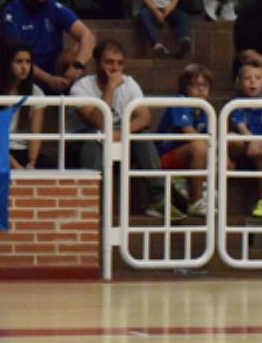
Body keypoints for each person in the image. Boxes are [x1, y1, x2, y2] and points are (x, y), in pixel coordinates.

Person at [70, 40, 182, 220]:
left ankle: (158, 199)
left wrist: (121, 134)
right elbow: (98, 122)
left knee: (142, 136)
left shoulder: (129, 83)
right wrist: (110, 88)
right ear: (96, 62)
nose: (115, 68)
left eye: (119, 63)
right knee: (95, 137)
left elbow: (145, 117)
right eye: (109, 62)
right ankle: (93, 204)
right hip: (82, 143)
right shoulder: (81, 87)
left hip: (116, 137)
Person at [0, 0, 95, 94]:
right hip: (25, 72)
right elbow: (14, 55)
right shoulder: (11, 13)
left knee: (76, 51)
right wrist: (47, 79)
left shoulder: (53, 6)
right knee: (14, 58)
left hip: (56, 70)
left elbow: (88, 36)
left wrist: (77, 66)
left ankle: (75, 100)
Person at [156, 63, 214, 216]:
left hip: (189, 158)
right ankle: (196, 201)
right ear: (184, 87)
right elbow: (189, 131)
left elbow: (210, 138)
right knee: (200, 147)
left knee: (224, 159)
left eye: (205, 85)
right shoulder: (180, 101)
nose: (200, 89)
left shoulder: (205, 109)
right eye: (195, 85)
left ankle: (208, 191)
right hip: (164, 158)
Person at [228, 60, 262, 219]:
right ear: (239, 82)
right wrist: (252, 141)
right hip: (245, 147)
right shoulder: (235, 104)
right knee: (231, 138)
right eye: (247, 78)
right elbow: (241, 127)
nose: (253, 82)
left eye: (257, 78)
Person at [0, 40, 44, 170]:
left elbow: (36, 134)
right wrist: (16, 166)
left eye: (28, 62)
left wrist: (32, 162)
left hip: (23, 151)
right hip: (1, 150)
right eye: (19, 62)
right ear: (7, 63)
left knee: (51, 168)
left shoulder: (36, 92)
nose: (25, 67)